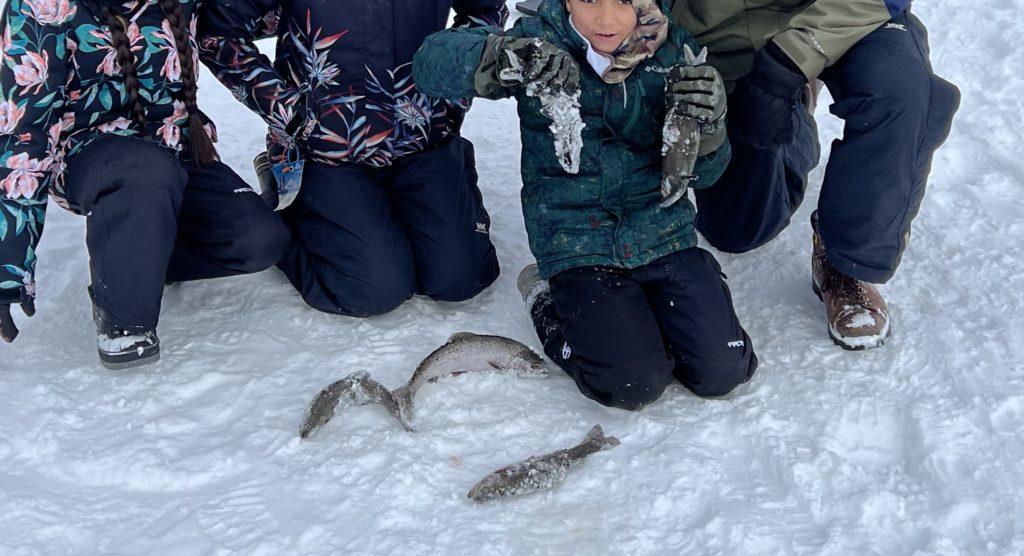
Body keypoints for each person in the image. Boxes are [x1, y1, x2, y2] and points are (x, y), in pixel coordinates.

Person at [414, 0, 758, 409]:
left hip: (663, 234)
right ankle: (546, 298)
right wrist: (500, 57)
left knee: (723, 369)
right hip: (577, 241)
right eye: (590, 0)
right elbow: (430, 66)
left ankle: (682, 300)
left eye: (625, 1)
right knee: (631, 382)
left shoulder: (675, 51)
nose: (607, 19)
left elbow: (707, 176)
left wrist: (712, 127)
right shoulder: (539, 41)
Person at [0, 0, 290, 369]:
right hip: (86, 153)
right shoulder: (42, 8)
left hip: (174, 145)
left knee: (258, 240)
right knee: (145, 170)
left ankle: (133, 257)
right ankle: (122, 316)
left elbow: (249, 19)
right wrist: (7, 267)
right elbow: (24, 134)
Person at [669, 0, 961, 350]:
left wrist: (790, 60)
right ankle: (794, 110)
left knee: (902, 93)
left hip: (845, 14)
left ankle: (846, 262)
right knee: (739, 228)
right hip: (713, 32)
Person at [197, 0, 505, 318]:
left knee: (463, 277)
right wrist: (288, 111)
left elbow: (485, 10)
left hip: (423, 134)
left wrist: (455, 89)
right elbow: (217, 34)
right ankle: (287, 197)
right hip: (326, 147)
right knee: (371, 288)